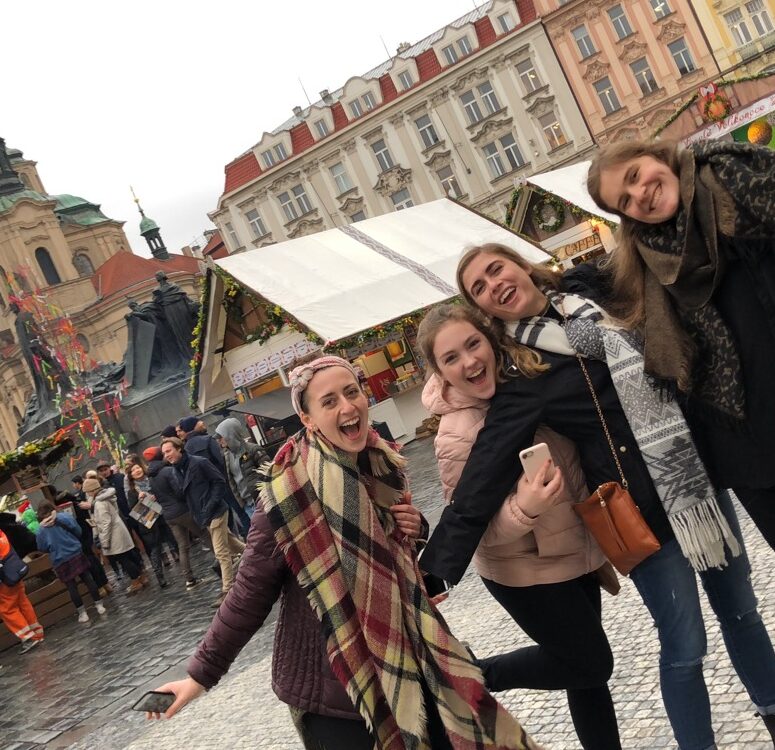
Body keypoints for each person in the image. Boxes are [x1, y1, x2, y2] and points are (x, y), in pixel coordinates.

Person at [420, 242, 775, 749]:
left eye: (496, 268)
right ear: (485, 310)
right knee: (684, 645)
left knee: (743, 612)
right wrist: (436, 566)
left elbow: (649, 251)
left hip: (696, 487)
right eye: (479, 287)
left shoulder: (591, 299)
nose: (493, 283)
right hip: (640, 515)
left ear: (521, 266)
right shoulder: (523, 373)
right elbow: (483, 471)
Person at [148, 356, 541, 750]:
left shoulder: (383, 465)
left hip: (411, 657)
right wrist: (199, 675)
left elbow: (397, 556)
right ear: (308, 418)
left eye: (351, 392)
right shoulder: (287, 499)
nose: (347, 407)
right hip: (335, 688)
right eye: (329, 401)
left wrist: (415, 527)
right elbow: (248, 593)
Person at [417, 304, 620, 750]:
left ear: (490, 340)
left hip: (572, 553)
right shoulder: (456, 433)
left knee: (585, 678)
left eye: (473, 344)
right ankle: (475, 675)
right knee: (591, 664)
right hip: (526, 574)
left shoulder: (527, 380)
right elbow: (476, 531)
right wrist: (523, 508)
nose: (469, 361)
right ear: (439, 371)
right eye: (451, 358)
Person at [586, 138, 775, 552]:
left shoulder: (741, 178)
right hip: (752, 447)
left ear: (656, 156)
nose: (640, 193)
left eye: (635, 175)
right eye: (625, 200)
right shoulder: (650, 262)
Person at [161, 437, 245, 608]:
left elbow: (219, 481)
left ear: (179, 448)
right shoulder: (176, 470)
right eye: (164, 453)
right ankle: (257, 553)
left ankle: (228, 589)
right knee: (234, 544)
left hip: (216, 512)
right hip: (202, 515)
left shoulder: (198, 462)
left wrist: (210, 504)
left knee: (221, 552)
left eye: (169, 450)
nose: (167, 455)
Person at [179, 415, 251, 538]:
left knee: (222, 519)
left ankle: (236, 543)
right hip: (223, 482)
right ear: (193, 426)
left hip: (207, 489)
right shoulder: (208, 440)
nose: (202, 422)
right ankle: (250, 535)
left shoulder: (185, 449)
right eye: (198, 421)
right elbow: (221, 460)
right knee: (240, 510)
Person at [144, 445, 205, 589]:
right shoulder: (167, 471)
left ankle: (189, 579)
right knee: (205, 534)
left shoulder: (151, 477)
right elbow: (179, 491)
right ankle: (227, 561)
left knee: (182, 546)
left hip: (169, 515)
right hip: (182, 511)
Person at [35, 501, 106, 623]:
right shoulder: (64, 517)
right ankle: (99, 605)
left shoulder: (41, 529)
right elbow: (78, 531)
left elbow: (42, 547)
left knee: (71, 586)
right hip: (75, 552)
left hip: (59, 559)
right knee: (88, 579)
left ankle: (82, 613)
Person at [84, 477, 145, 594]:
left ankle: (135, 581)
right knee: (129, 556)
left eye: (87, 492)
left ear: (91, 491)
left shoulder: (99, 503)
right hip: (119, 530)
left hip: (114, 536)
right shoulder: (106, 496)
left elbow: (105, 523)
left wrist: (104, 542)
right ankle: (142, 577)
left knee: (123, 559)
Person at [125, 456, 174, 589]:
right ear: (131, 476)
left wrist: (155, 496)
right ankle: (160, 577)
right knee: (155, 549)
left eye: (137, 468)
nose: (136, 471)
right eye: (133, 471)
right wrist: (140, 500)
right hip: (148, 523)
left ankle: (186, 569)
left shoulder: (152, 480)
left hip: (163, 516)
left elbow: (164, 492)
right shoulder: (132, 491)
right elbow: (132, 508)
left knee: (174, 541)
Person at [55, 489, 110, 597]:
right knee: (93, 559)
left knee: (89, 563)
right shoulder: (79, 504)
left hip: (78, 539)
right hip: (87, 536)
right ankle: (105, 583)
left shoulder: (65, 511)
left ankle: (99, 587)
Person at [214, 416, 268, 520]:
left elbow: (269, 472)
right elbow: (232, 480)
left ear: (230, 434)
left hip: (261, 502)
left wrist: (263, 497)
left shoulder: (253, 449)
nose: (219, 441)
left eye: (221, 437)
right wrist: (242, 504)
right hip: (248, 506)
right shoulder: (227, 455)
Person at [0, 528, 43, 653]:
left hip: (4, 581)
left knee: (7, 609)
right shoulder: (1, 533)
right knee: (23, 603)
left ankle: (27, 638)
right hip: (14, 574)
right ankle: (37, 633)